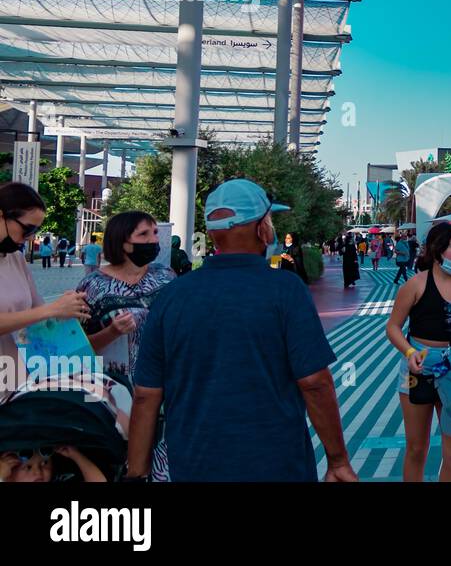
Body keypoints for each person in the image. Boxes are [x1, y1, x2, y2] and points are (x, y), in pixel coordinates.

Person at [125, 179, 356, 482]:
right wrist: (337, 460)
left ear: (212, 232)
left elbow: (146, 395)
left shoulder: (171, 296)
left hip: (192, 463)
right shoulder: (286, 290)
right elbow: (314, 382)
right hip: (278, 464)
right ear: (262, 229)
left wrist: (136, 472)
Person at [78, 210, 175, 480]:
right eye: (143, 234)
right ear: (122, 242)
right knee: (119, 464)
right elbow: (77, 346)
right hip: (114, 393)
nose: (153, 240)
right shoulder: (92, 285)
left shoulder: (166, 277)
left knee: (163, 464)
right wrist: (111, 332)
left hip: (164, 390)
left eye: (155, 233)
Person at [387, 222, 451, 482]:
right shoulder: (415, 285)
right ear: (437, 250)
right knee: (417, 449)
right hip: (418, 369)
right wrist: (409, 352)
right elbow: (393, 328)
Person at [0, 183, 90, 402]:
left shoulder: (15, 259)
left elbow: (38, 312)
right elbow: (42, 312)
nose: (31, 238)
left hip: (16, 383)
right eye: (28, 229)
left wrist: (66, 309)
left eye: (36, 231)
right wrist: (52, 310)